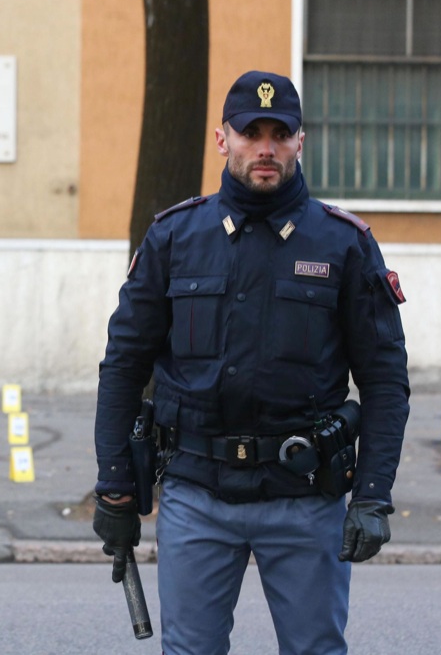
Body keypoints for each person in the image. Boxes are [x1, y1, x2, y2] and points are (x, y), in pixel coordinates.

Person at [92, 70, 409, 654]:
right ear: (223, 140)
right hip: (196, 495)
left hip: (305, 497)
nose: (266, 148)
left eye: (280, 134)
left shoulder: (343, 243)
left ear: (300, 142)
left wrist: (372, 494)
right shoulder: (175, 237)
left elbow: (385, 379)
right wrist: (114, 485)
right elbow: (123, 365)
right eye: (250, 133)